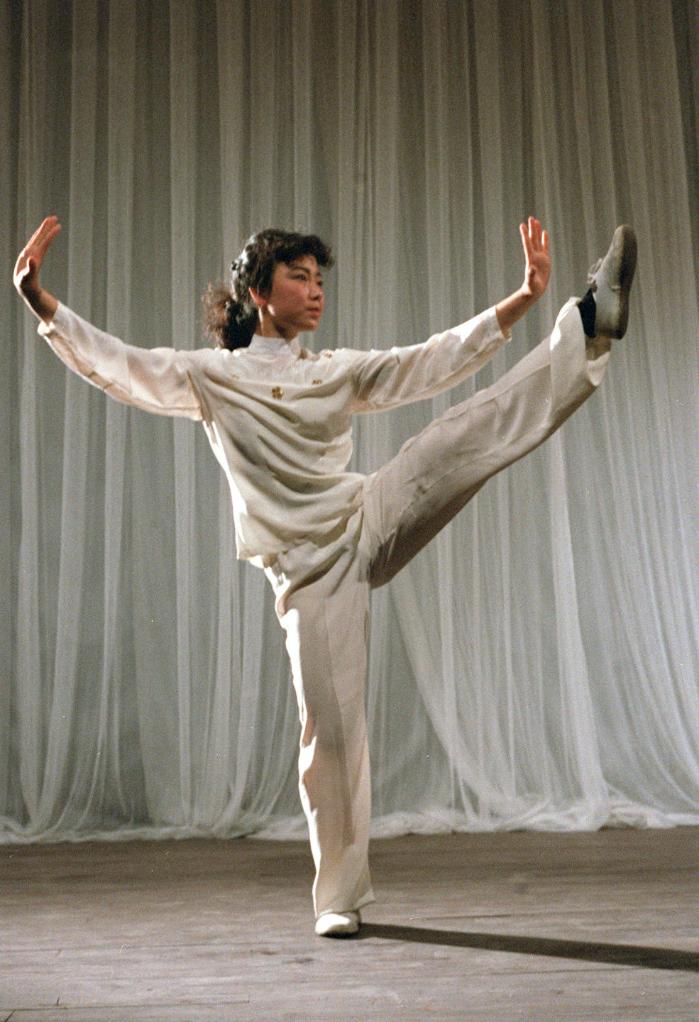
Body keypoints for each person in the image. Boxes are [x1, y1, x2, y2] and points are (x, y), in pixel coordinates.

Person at [14, 215, 636, 937]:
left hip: (365, 516)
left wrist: (523, 298)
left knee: (453, 438)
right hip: (309, 573)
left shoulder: (333, 369)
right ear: (258, 290)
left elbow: (430, 361)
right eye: (298, 277)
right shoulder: (211, 377)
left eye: (319, 279)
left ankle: (587, 324)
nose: (315, 291)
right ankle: (338, 897)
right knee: (331, 732)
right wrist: (42, 303)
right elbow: (120, 365)